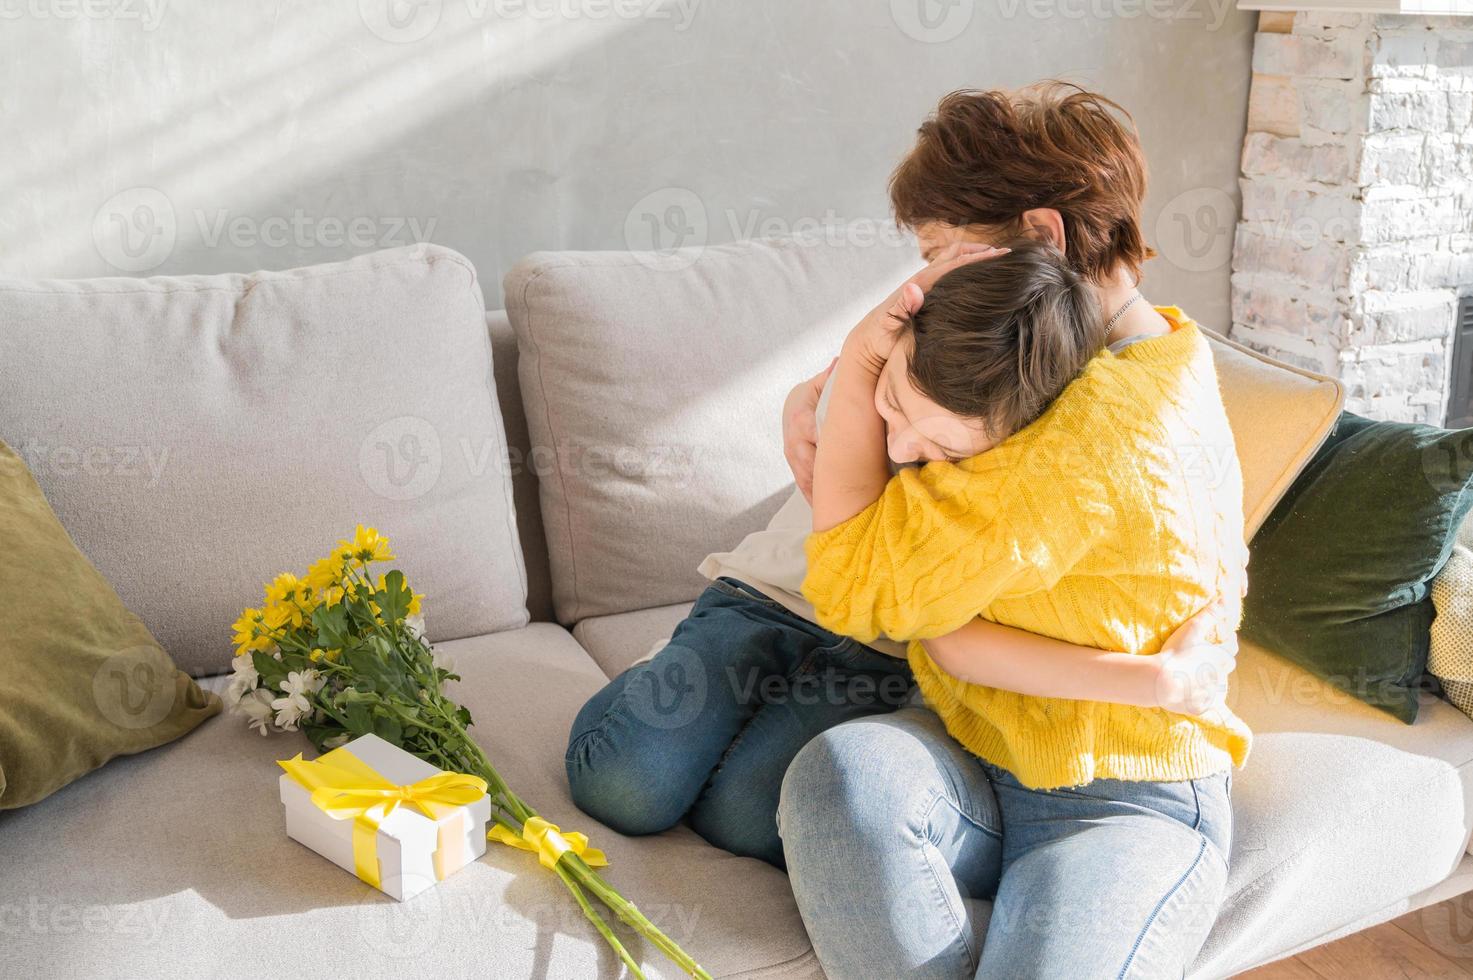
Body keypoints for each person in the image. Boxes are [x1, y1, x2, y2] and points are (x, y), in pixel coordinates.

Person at [564, 230, 1236, 871]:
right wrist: (861, 361)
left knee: (744, 819)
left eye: (940, 450)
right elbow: (835, 440)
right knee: (626, 785)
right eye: (893, 408)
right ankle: (667, 669)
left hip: (877, 650)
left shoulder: (1043, 431)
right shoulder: (897, 352)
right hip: (768, 598)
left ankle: (705, 722)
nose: (898, 448)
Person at [778, 82, 1251, 979]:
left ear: (1039, 235)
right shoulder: (1139, 347)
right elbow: (940, 613)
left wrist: (857, 363)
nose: (916, 288)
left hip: (1122, 796)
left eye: (935, 254)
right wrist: (820, 395)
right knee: (839, 775)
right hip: (977, 750)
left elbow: (854, 581)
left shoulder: (1099, 426)